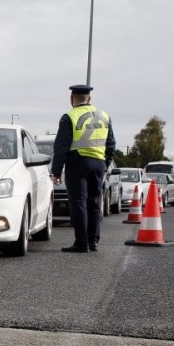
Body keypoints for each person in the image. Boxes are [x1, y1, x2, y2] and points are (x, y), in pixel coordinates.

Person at [50, 84, 115, 253]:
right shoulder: (104, 115)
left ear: (72, 99)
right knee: (94, 203)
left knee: (79, 203)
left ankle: (81, 243)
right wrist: (105, 164)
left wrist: (56, 171)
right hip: (98, 164)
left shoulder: (69, 116)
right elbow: (111, 144)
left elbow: (61, 147)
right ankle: (93, 241)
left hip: (78, 164)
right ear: (90, 99)